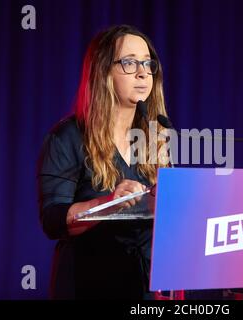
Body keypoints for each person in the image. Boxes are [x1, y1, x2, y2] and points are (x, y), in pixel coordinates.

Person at [36, 25, 170, 299]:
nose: (143, 72)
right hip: (88, 283)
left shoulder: (156, 136)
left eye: (147, 63)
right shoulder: (68, 137)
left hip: (143, 286)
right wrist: (108, 204)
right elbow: (52, 220)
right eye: (129, 62)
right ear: (103, 72)